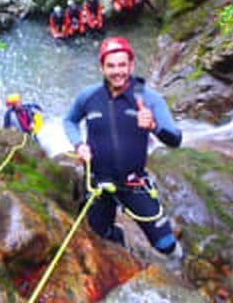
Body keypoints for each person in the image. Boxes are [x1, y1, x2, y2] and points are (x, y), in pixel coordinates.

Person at [63, 37, 183, 259]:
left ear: (131, 65)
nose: (117, 71)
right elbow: (69, 121)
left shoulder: (149, 99)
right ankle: (120, 245)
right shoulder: (89, 97)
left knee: (166, 244)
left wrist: (154, 127)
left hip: (133, 183)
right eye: (111, 66)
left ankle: (179, 268)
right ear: (102, 67)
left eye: (122, 65)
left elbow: (176, 140)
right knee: (100, 236)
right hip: (99, 183)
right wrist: (79, 144)